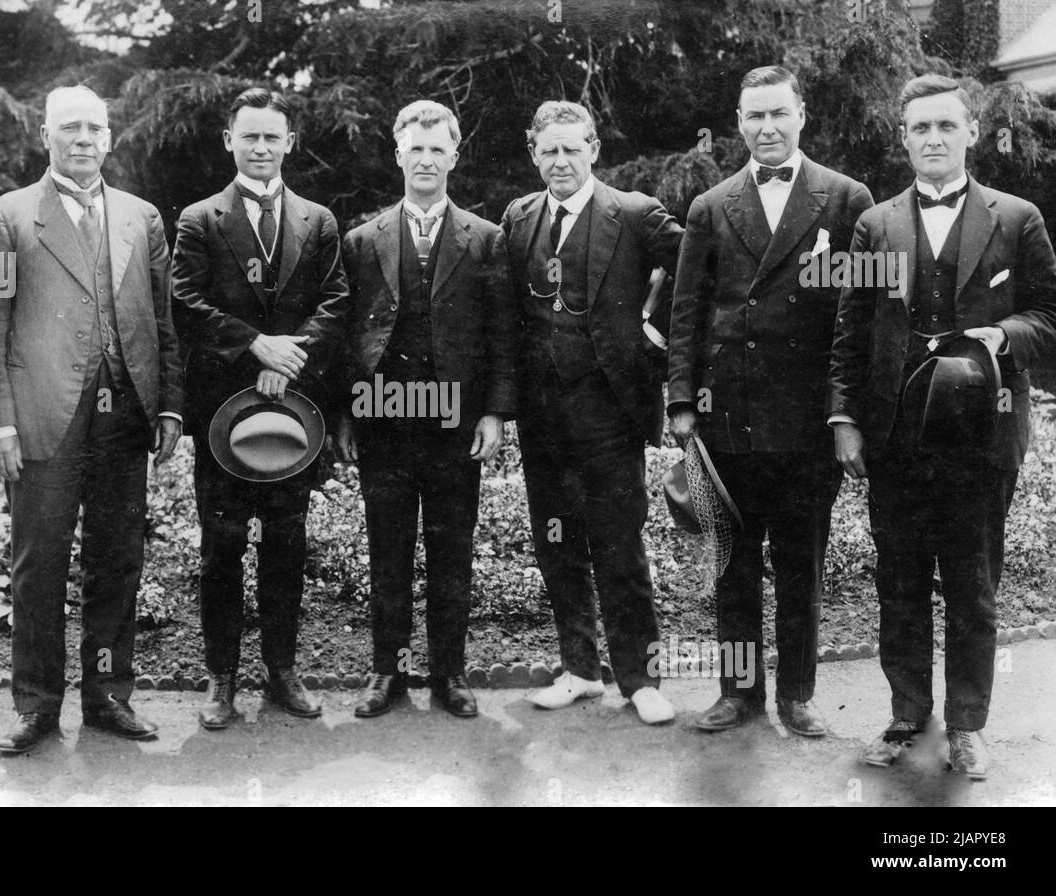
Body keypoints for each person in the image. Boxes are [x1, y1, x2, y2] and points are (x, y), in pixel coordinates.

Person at [829, 74, 1056, 779]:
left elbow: (1049, 316)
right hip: (896, 434)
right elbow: (850, 331)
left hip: (982, 433)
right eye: (920, 128)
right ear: (905, 138)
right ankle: (906, 715)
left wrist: (1001, 335)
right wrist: (845, 418)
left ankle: (966, 726)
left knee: (972, 582)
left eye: (945, 127)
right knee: (897, 579)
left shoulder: (1016, 219)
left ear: (971, 134)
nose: (932, 139)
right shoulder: (875, 224)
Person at [0, 85, 184, 754]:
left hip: (123, 413)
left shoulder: (141, 217)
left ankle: (107, 695)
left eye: (95, 126)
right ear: (46, 136)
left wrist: (170, 402)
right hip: (44, 418)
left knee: (116, 559)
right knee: (39, 563)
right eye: (70, 127)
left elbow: (163, 320)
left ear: (111, 138)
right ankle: (37, 707)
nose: (84, 138)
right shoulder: (7, 217)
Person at [667, 66, 873, 735]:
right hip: (729, 420)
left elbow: (856, 315)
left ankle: (798, 695)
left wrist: (847, 411)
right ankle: (739, 692)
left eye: (779, 114)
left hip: (809, 422)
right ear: (738, 121)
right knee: (732, 565)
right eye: (755, 116)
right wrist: (680, 404)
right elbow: (686, 315)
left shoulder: (845, 200)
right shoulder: (710, 206)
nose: (768, 128)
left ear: (802, 115)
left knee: (800, 566)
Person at [172, 87, 350, 730]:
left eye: (273, 137)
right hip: (224, 411)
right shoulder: (198, 219)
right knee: (220, 545)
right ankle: (221, 678)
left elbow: (336, 301)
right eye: (250, 136)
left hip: (295, 407)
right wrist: (255, 348)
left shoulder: (319, 220)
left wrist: (290, 359)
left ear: (290, 142)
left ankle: (281, 672)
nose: (261, 148)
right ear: (229, 140)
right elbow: (185, 304)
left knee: (286, 541)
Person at [501, 101, 683, 723]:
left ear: (593, 149)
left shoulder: (632, 213)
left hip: (610, 412)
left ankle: (641, 681)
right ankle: (580, 669)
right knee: (557, 544)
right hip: (542, 416)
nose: (560, 161)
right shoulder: (519, 217)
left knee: (619, 545)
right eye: (548, 150)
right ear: (533, 153)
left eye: (571, 149)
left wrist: (653, 338)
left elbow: (696, 272)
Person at [335, 101, 516, 718]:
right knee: (387, 549)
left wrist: (493, 413)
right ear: (398, 154)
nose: (426, 159)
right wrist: (345, 417)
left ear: (455, 156)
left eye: (438, 149)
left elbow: (500, 334)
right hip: (382, 417)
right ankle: (388, 673)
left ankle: (450, 674)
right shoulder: (362, 240)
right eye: (416, 148)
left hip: (453, 424)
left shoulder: (486, 239)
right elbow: (344, 339)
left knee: (450, 548)